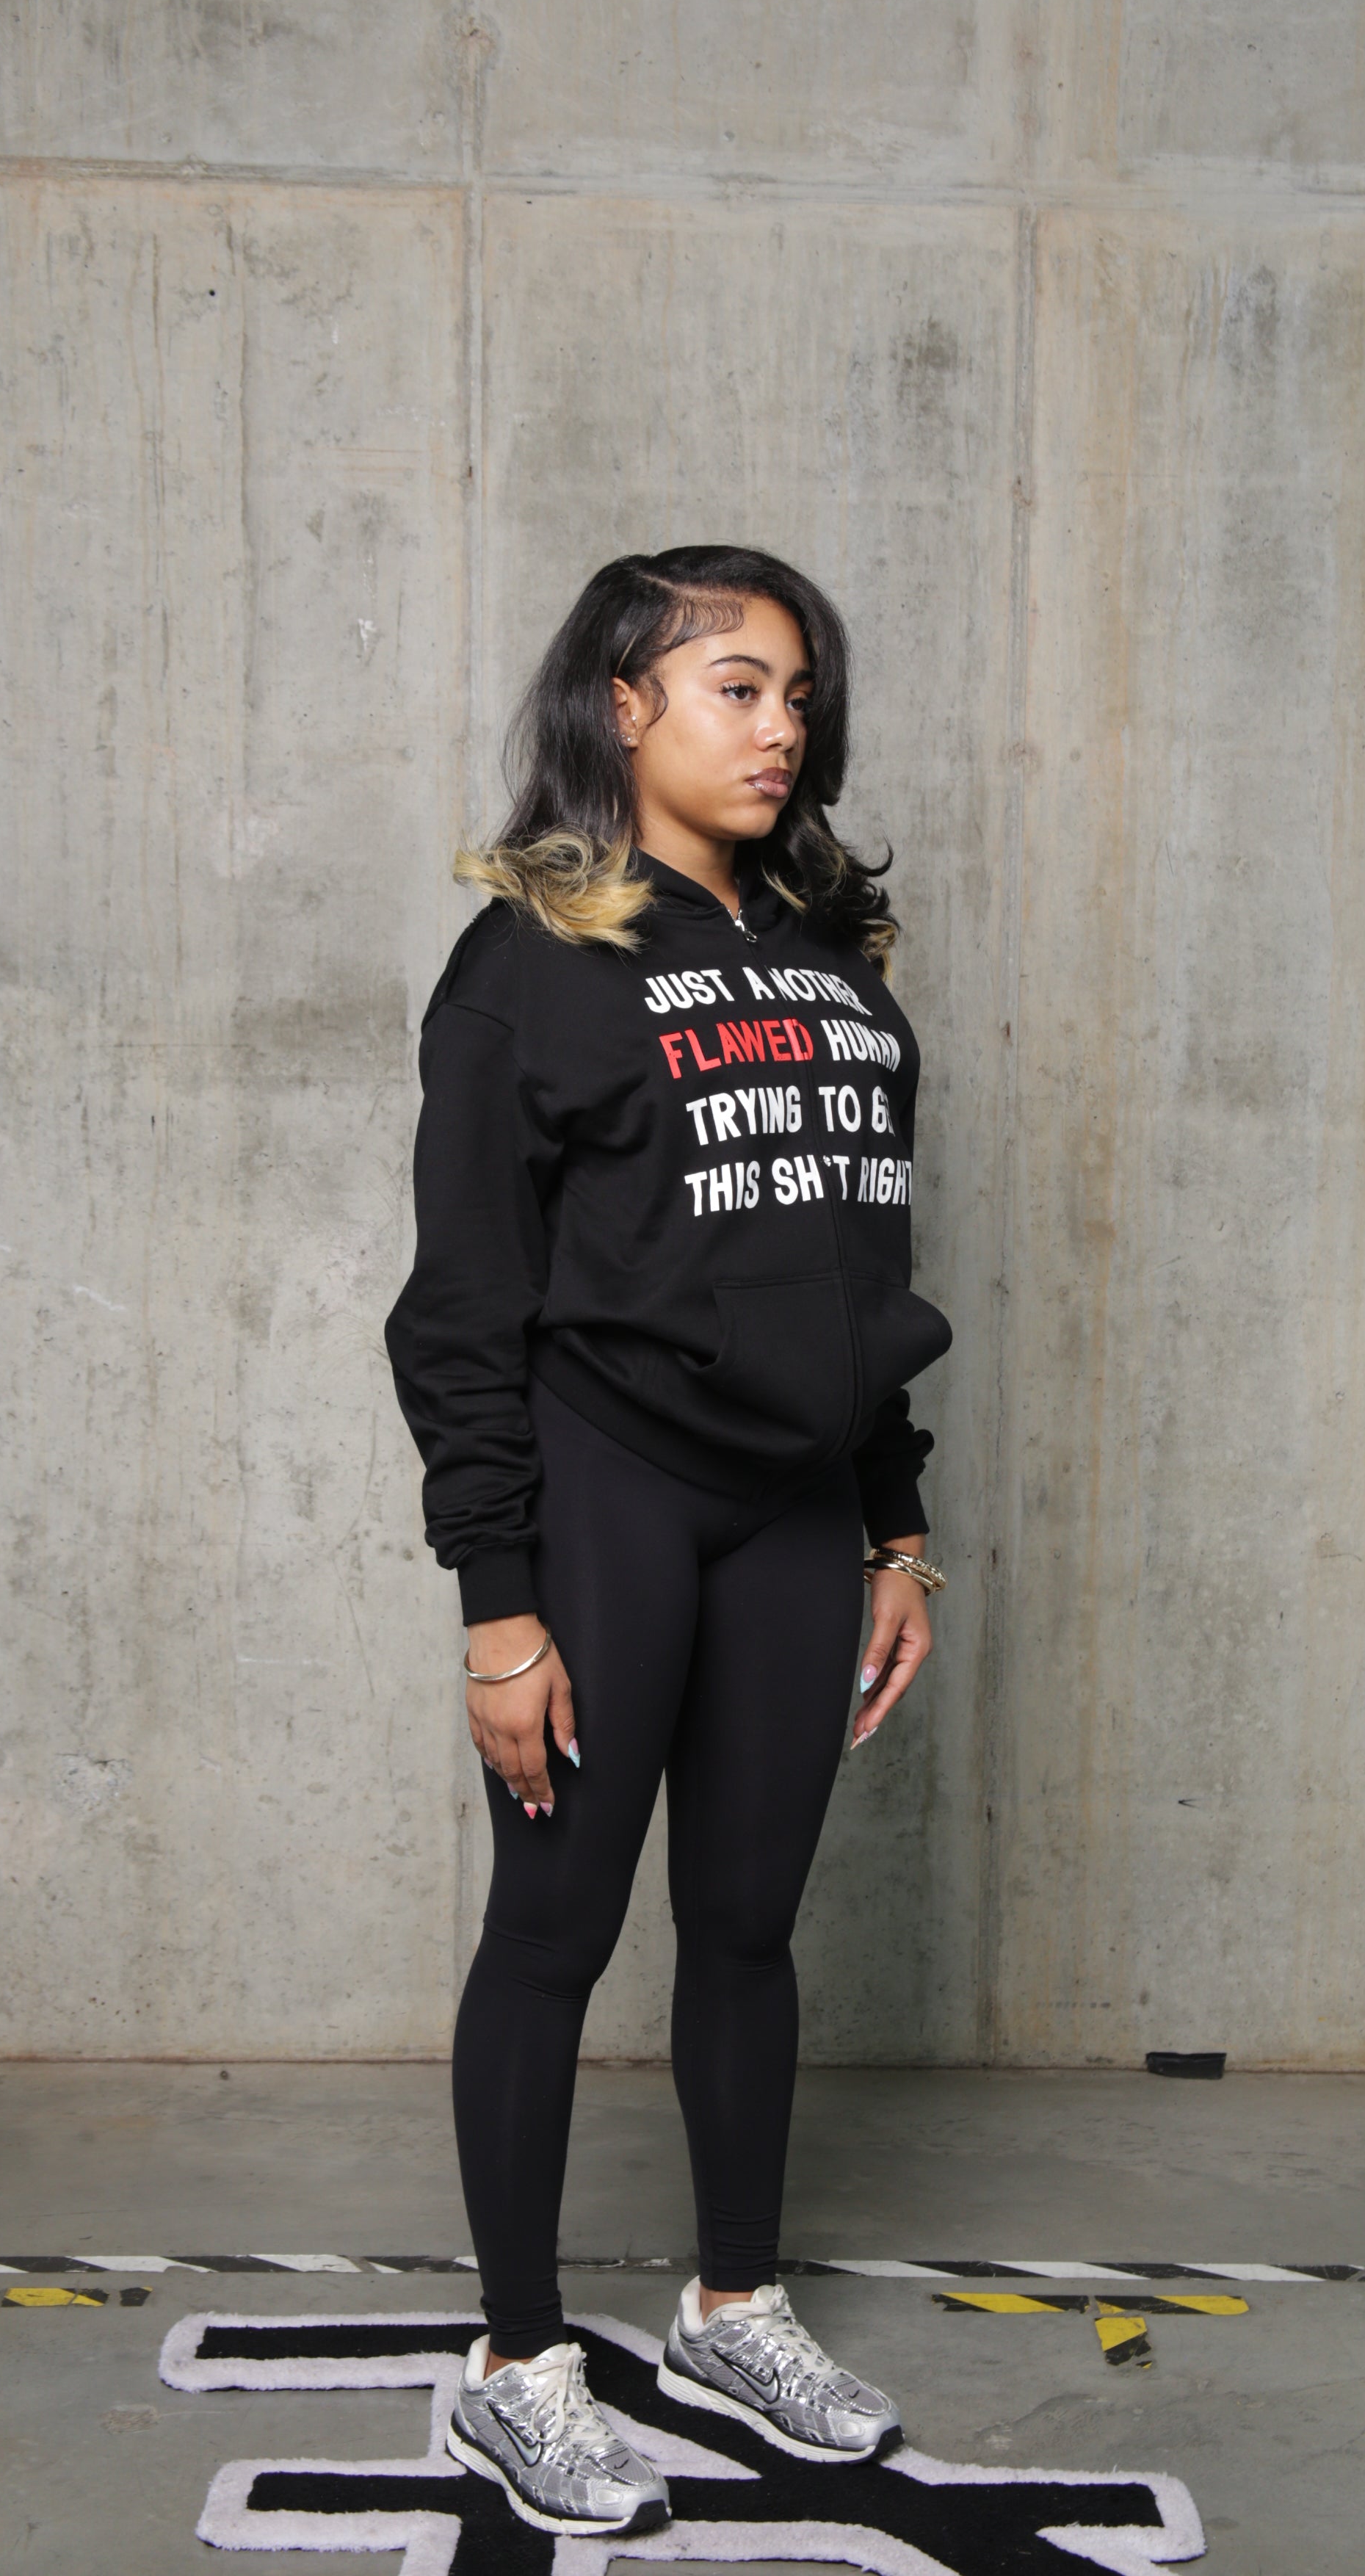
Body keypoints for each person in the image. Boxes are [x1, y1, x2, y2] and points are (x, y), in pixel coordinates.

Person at [384, 545, 952, 2540]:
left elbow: (856, 1255)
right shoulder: (528, 960)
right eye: (738, 686)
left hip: (793, 1515)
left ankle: (732, 2308)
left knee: (748, 1927)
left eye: (800, 693)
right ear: (623, 704)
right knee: (554, 1933)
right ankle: (514, 2365)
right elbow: (460, 1310)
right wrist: (500, 1610)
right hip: (607, 1495)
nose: (782, 726)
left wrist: (897, 1525)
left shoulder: (833, 953)